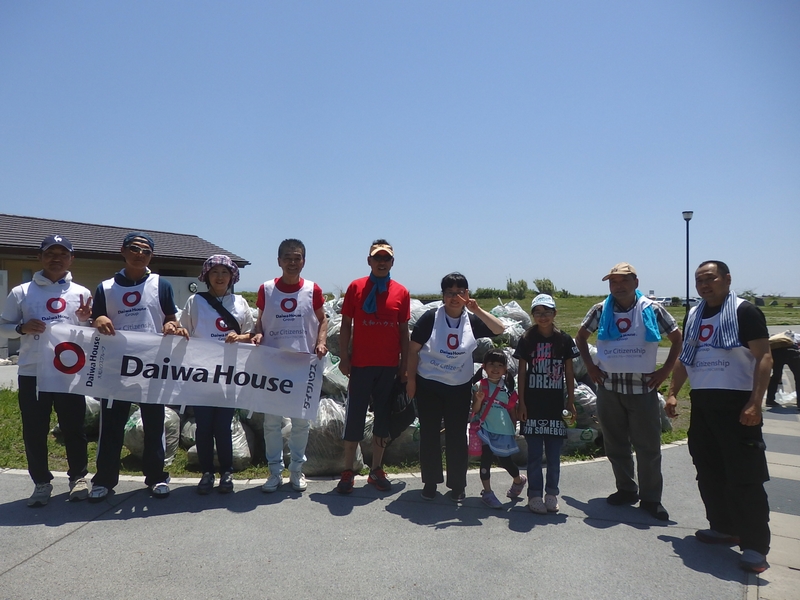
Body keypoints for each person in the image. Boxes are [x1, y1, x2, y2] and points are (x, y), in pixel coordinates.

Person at [666, 260, 772, 573]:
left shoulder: (745, 312)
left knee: (745, 477)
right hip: (703, 404)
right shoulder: (694, 314)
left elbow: (764, 357)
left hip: (737, 405)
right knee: (708, 470)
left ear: (727, 279)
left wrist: (755, 403)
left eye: (710, 278)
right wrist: (673, 392)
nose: (704, 285)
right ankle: (723, 527)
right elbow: (686, 357)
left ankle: (755, 546)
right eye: (699, 280)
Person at [575, 262, 681, 521]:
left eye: (624, 280)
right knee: (615, 443)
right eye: (613, 282)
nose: (618, 286)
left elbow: (677, 338)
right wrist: (590, 367)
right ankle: (626, 489)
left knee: (648, 446)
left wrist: (665, 371)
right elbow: (580, 337)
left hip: (642, 389)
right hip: (608, 389)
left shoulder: (651, 309)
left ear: (636, 282)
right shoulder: (601, 309)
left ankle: (651, 498)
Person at [88, 232, 185, 502]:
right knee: (111, 427)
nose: (140, 254)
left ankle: (156, 477)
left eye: (146, 251)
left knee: (154, 424)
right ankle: (104, 481)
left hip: (151, 367)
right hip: (116, 367)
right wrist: (98, 319)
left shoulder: (161, 284)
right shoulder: (106, 287)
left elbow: (170, 318)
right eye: (134, 248)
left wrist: (171, 325)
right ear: (123, 251)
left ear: (151, 256)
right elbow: (96, 319)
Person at [0, 235, 92, 507]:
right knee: (34, 430)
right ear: (39, 257)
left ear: (71, 259)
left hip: (69, 374)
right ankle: (41, 482)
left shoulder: (82, 293)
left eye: (62, 254)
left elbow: (91, 335)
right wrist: (21, 328)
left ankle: (78, 478)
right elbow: (3, 327)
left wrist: (86, 321)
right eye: (50, 253)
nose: (56, 259)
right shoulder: (21, 291)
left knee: (74, 427)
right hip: (33, 372)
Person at [406, 272, 505, 501]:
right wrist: (411, 380)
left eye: (459, 293)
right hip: (429, 384)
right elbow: (412, 350)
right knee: (429, 434)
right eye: (450, 293)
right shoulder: (430, 318)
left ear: (466, 294)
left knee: (457, 436)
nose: (454, 298)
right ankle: (430, 482)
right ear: (443, 295)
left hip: (459, 387)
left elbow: (499, 329)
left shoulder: (472, 320)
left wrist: (476, 309)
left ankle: (457, 485)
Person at [252, 239, 327, 493]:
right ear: (279, 261)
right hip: (272, 366)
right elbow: (260, 320)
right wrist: (258, 333)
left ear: (303, 261)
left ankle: (296, 470)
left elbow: (323, 320)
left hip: (302, 366)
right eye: (287, 258)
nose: (292, 263)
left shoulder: (312, 289)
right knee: (271, 423)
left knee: (301, 423)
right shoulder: (266, 289)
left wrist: (321, 342)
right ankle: (274, 471)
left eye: (297, 258)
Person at [336, 240, 410, 494]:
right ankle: (348, 470)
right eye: (377, 258)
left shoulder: (401, 292)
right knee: (354, 418)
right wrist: (344, 357)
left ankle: (376, 469)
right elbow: (346, 325)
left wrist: (404, 365)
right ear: (369, 261)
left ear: (392, 262)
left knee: (382, 420)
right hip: (360, 365)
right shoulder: (356, 287)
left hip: (388, 367)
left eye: (386, 258)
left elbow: (404, 332)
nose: (381, 262)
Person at [180, 255, 254, 495]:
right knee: (203, 427)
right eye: (215, 272)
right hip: (201, 373)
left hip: (229, 374)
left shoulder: (240, 303)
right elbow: (184, 331)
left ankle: (227, 472)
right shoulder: (194, 301)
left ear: (232, 277)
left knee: (223, 426)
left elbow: (252, 335)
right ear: (206, 276)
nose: (220, 277)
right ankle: (207, 472)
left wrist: (240, 337)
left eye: (225, 272)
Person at [514, 293, 579, 514]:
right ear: (533, 315)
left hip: (555, 406)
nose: (543, 317)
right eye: (538, 313)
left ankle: (551, 493)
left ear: (555, 313)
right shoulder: (526, 339)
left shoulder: (564, 340)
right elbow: (522, 373)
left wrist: (571, 401)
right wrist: (521, 403)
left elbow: (569, 373)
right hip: (532, 406)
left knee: (553, 456)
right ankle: (534, 495)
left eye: (547, 312)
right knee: (534, 455)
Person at [470, 349, 526, 509]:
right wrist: (478, 400)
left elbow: (512, 411)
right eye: (492, 364)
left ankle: (518, 480)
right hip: (485, 429)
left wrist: (513, 429)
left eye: (500, 365)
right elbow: (475, 409)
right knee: (486, 460)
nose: (495, 368)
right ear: (484, 366)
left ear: (505, 369)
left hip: (504, 431)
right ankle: (487, 492)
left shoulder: (508, 388)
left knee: (506, 461)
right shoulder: (479, 386)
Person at [765, 334, 800, 409]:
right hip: (792, 354)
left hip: (776, 354)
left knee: (776, 376)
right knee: (798, 377)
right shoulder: (794, 337)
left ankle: (770, 400)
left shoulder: (776, 340)